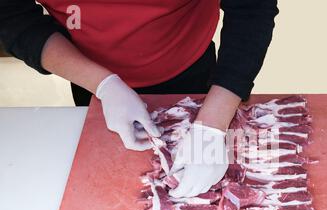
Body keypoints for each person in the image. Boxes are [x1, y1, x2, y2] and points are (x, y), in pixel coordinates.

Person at [0, 0, 278, 197]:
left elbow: (251, 8)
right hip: (92, 81)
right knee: (112, 186)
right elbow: (12, 17)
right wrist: (102, 84)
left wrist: (213, 122)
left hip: (191, 69)